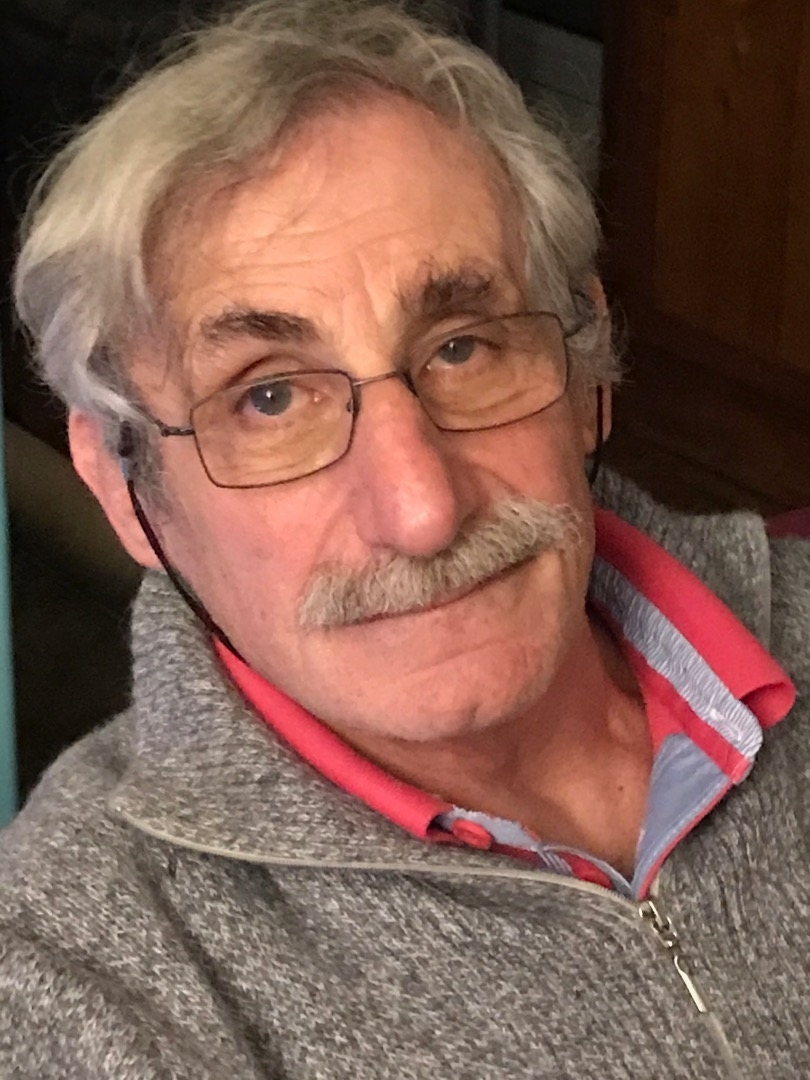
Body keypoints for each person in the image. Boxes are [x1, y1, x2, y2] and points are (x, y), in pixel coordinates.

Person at [1, 1, 808, 1076]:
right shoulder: (78, 976)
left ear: (585, 377)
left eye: (464, 347)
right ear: (121, 486)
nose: (422, 510)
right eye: (269, 398)